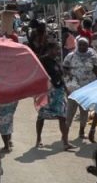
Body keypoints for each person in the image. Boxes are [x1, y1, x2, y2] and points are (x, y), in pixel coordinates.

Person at [31, 23, 75, 151]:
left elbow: (60, 77)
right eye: (56, 49)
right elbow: (37, 75)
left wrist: (66, 89)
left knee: (63, 117)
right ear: (50, 50)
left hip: (59, 93)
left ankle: (65, 142)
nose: (57, 52)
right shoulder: (43, 61)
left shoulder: (56, 61)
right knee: (41, 116)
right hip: (46, 93)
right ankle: (38, 139)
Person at [63, 37, 97, 140]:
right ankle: (65, 134)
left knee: (84, 111)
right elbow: (65, 68)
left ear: (88, 46)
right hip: (73, 89)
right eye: (80, 45)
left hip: (87, 89)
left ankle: (81, 132)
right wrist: (68, 77)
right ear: (77, 45)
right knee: (70, 111)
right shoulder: (71, 56)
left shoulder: (92, 56)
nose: (82, 47)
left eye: (85, 45)